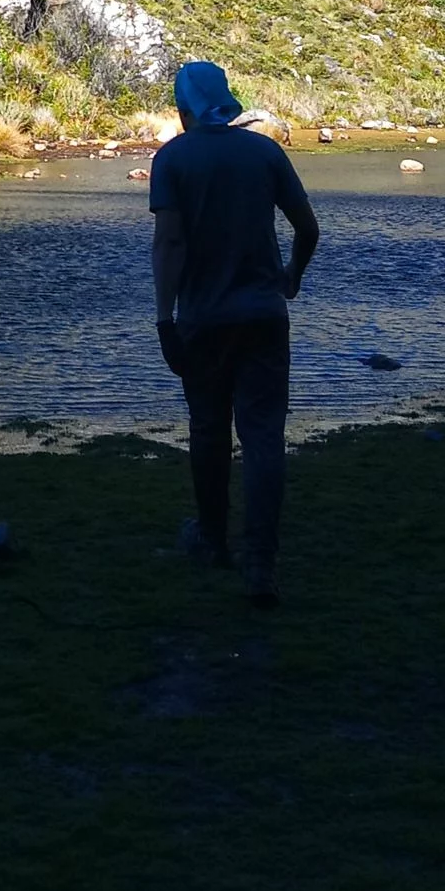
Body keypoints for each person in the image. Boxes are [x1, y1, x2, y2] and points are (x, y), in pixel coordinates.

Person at [149, 60, 319, 607]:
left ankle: (212, 540)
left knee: (208, 430)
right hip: (265, 317)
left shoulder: (171, 160)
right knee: (264, 438)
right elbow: (307, 227)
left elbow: (170, 246)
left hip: (202, 321)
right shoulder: (265, 152)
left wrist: (163, 318)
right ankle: (262, 564)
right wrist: (290, 276)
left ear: (184, 107)